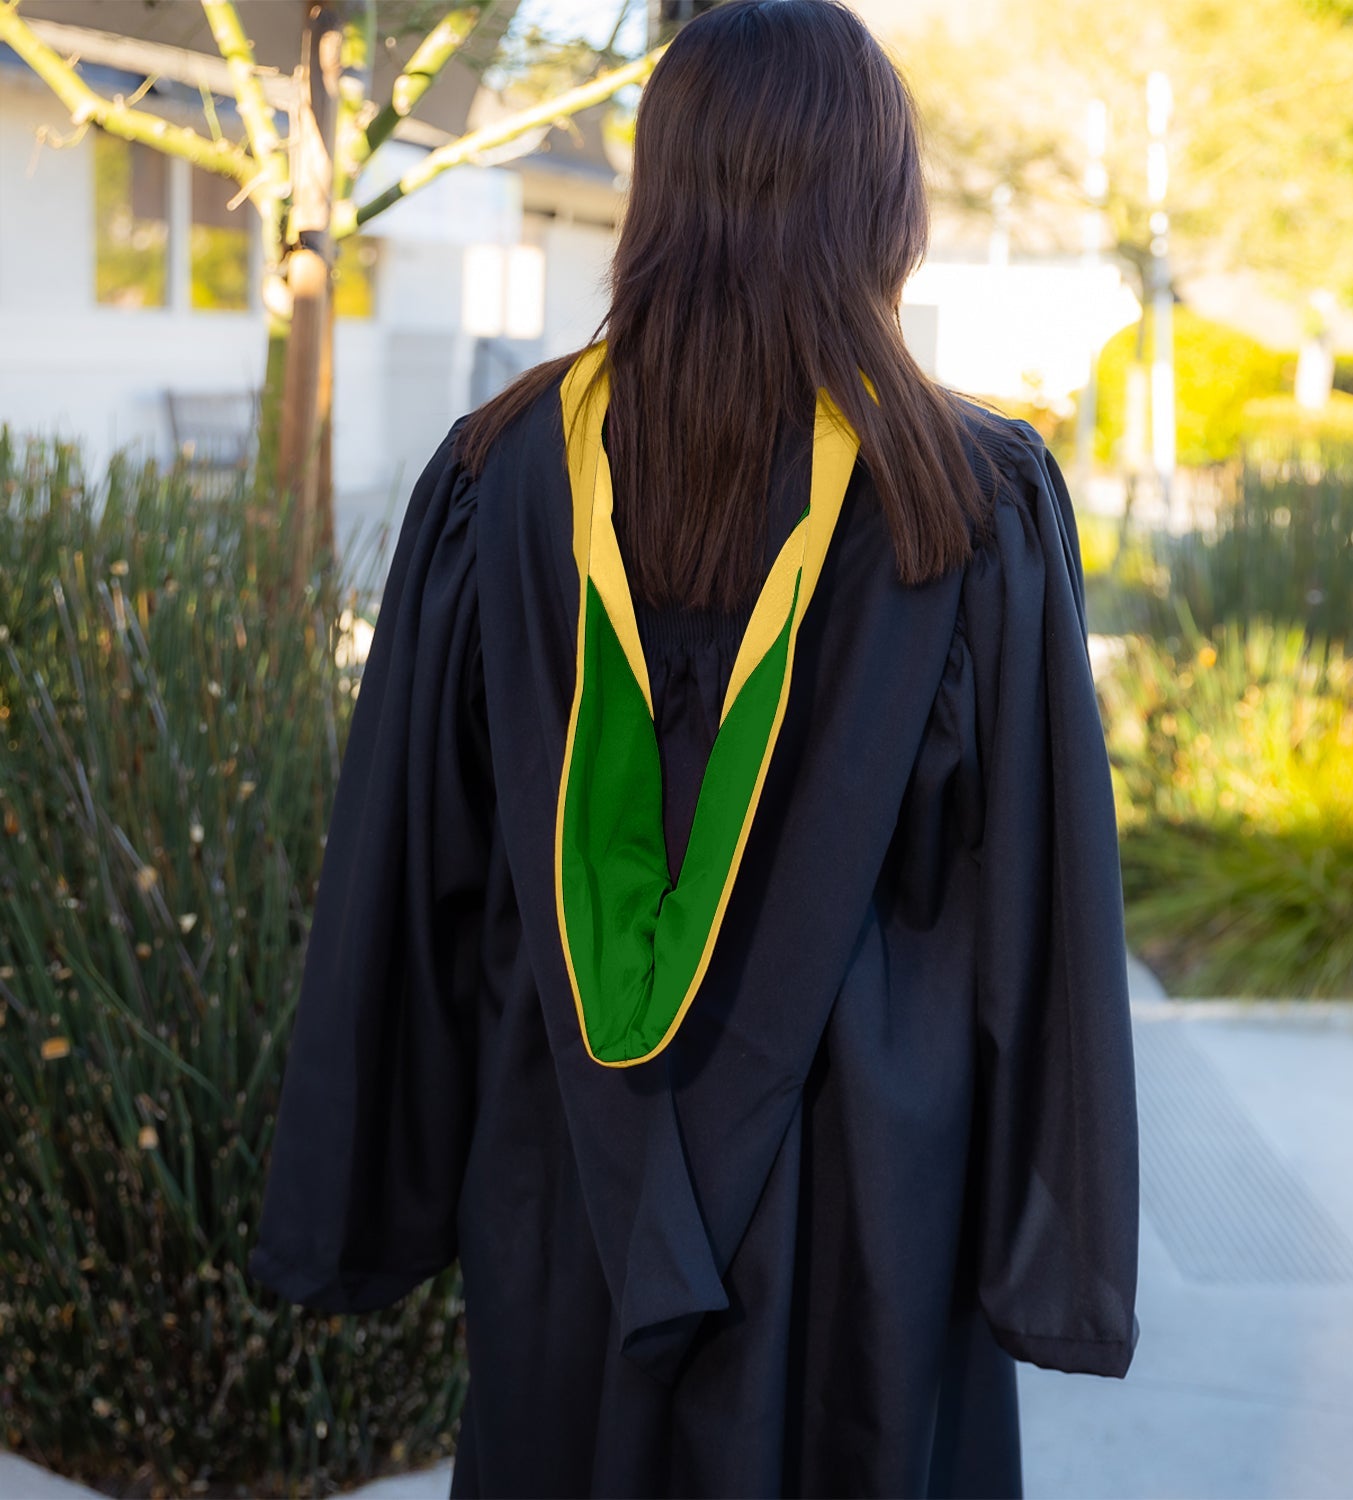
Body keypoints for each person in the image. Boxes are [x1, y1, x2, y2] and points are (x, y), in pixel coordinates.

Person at [247, 2, 1141, 1496]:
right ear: (884, 204)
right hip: (876, 1216)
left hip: (568, 1191)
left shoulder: (500, 477)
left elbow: (412, 876)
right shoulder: (969, 503)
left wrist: (362, 1199)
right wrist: (1050, 1245)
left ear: (657, 191)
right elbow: (1040, 909)